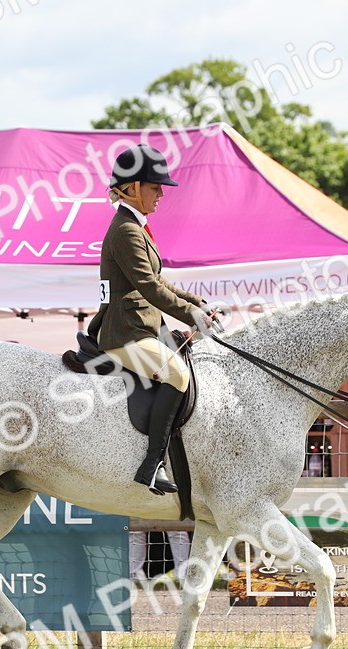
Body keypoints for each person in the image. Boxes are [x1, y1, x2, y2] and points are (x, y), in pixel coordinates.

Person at [87, 144, 219, 494]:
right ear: (132, 188)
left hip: (143, 327)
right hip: (125, 332)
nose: (161, 193)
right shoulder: (126, 230)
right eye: (155, 186)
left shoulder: (137, 226)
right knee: (177, 374)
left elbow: (158, 281)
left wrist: (197, 304)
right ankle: (151, 465)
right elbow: (147, 286)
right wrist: (190, 314)